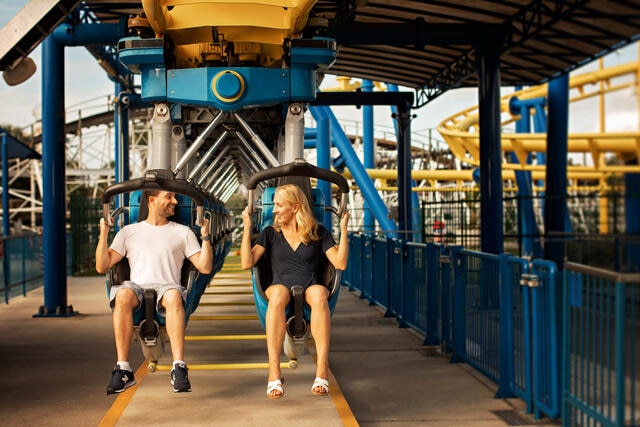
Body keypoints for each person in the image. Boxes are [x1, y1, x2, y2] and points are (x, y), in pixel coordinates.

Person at [95, 189, 213, 394]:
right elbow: (102, 265)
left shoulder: (183, 232)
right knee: (122, 294)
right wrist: (103, 234)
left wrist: (205, 236)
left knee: (174, 296)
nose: (175, 201)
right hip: (137, 286)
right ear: (152, 200)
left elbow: (204, 267)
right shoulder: (128, 232)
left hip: (168, 286)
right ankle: (123, 369)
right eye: (169, 196)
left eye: (175, 197)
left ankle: (179, 367)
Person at [240, 184, 349, 399]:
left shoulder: (318, 232)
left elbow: (340, 263)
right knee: (279, 294)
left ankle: (322, 370)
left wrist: (344, 230)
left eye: (280, 205)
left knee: (318, 294)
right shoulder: (270, 233)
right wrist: (246, 227)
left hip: (309, 283)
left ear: (296, 207)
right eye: (275, 205)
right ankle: (274, 373)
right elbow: (247, 262)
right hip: (278, 284)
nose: (275, 210)